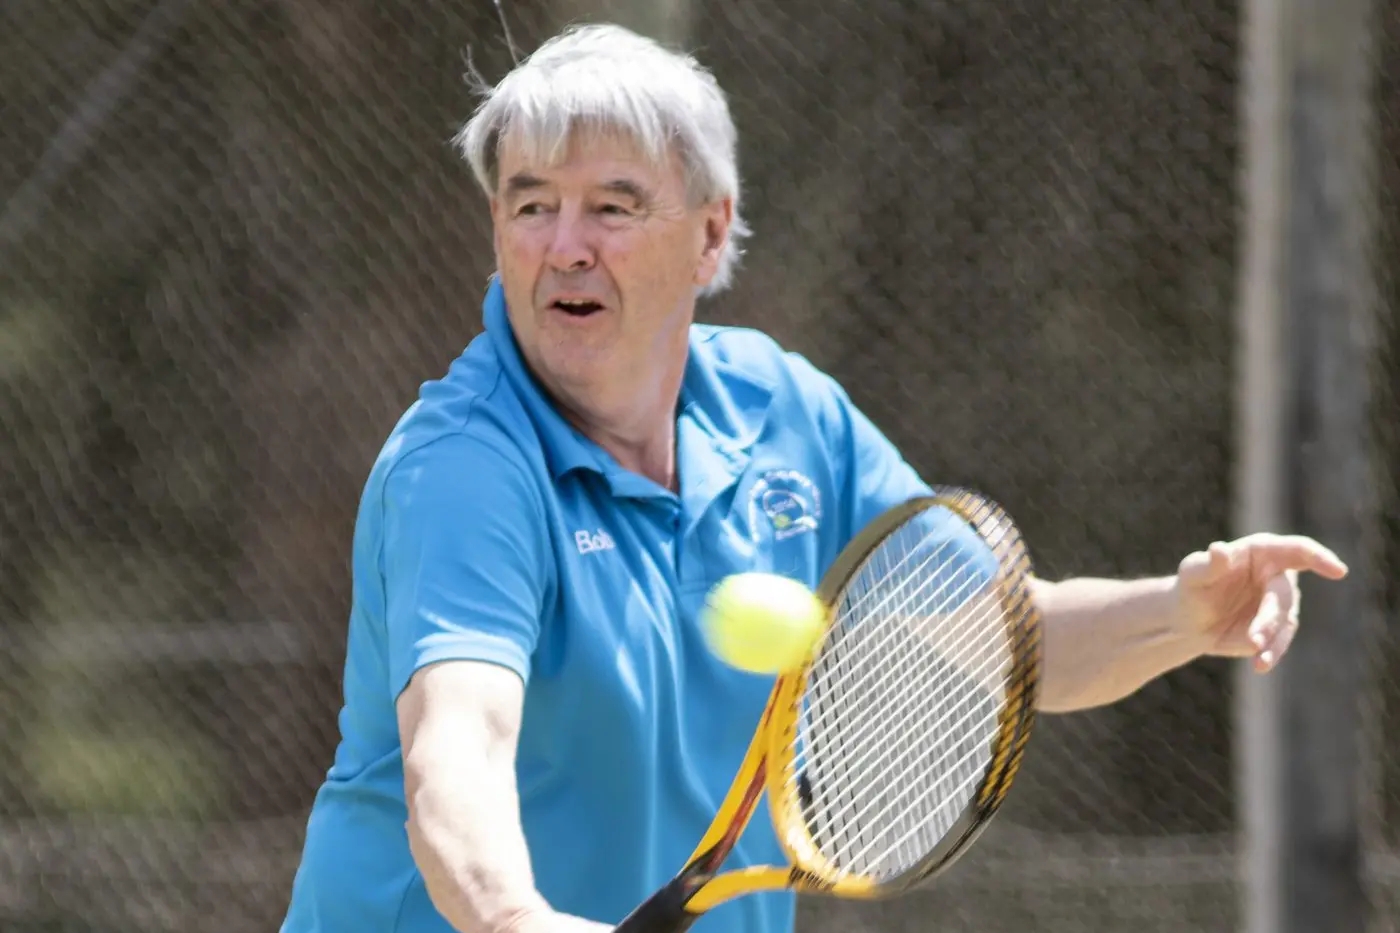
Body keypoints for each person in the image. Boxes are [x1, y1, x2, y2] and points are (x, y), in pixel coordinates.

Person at [278, 22, 1349, 933]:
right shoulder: (462, 469)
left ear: (707, 237)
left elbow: (997, 642)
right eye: (529, 204)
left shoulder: (786, 413)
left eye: (610, 206)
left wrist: (1181, 614)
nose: (564, 245)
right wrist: (516, 921)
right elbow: (455, 749)